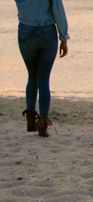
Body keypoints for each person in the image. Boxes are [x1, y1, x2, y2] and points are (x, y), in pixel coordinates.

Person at [15, 0, 70, 137]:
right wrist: (63, 37)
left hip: (26, 31)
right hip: (47, 32)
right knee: (44, 80)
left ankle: (31, 121)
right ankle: (43, 126)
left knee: (32, 76)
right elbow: (58, 10)